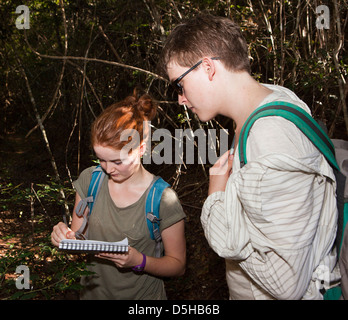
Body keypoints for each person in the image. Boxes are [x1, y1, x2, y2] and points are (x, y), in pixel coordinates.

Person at [159, 13, 339, 299]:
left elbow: (285, 284)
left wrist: (216, 199)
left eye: (178, 84)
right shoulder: (277, 99)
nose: (180, 98)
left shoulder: (269, 138)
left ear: (207, 67)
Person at [51, 91, 186, 300]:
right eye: (101, 160)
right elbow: (78, 239)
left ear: (140, 149)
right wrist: (64, 238)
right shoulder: (91, 181)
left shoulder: (163, 199)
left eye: (117, 162)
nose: (108, 169)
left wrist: (139, 261)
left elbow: (177, 266)